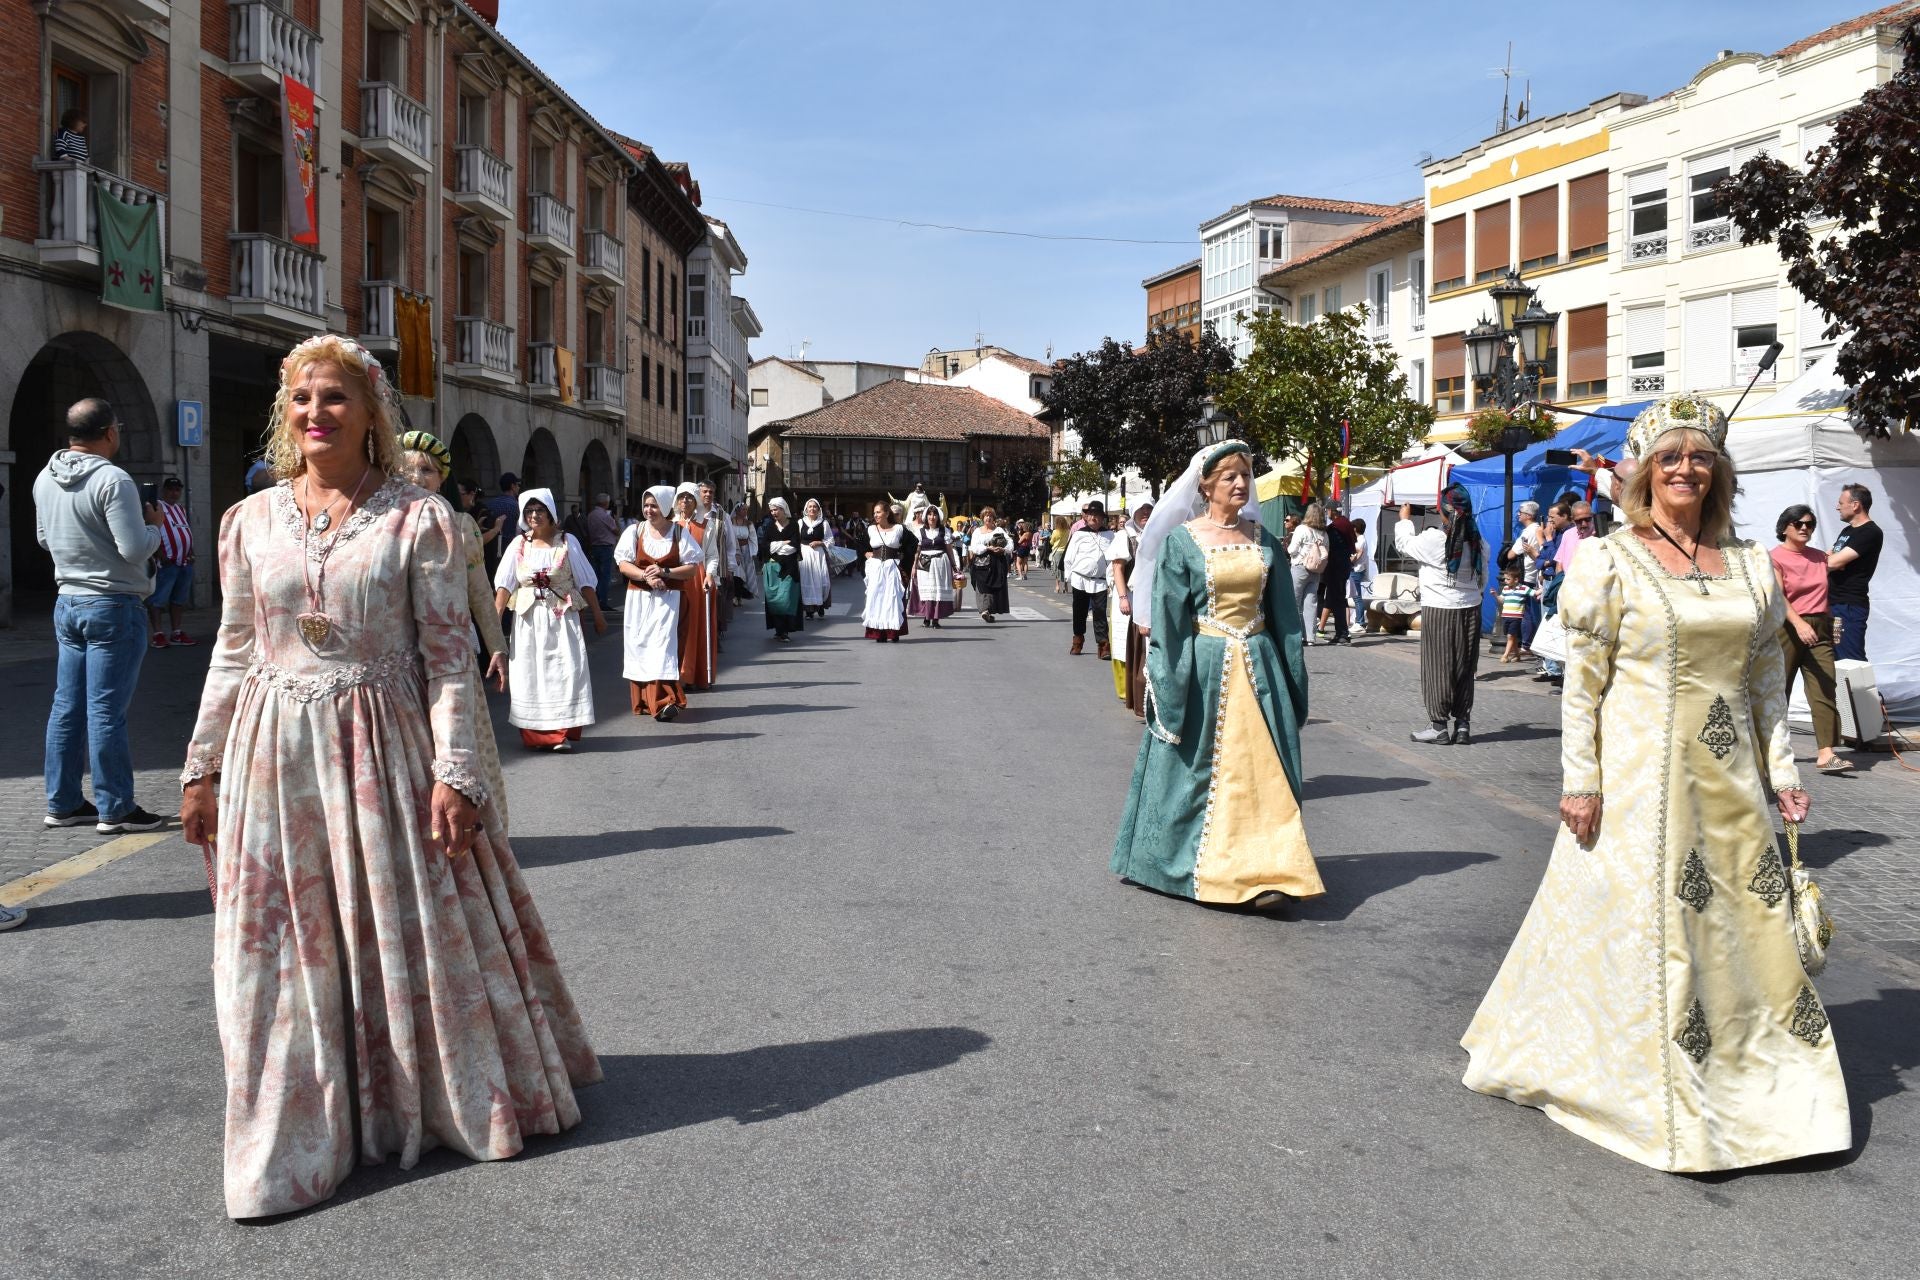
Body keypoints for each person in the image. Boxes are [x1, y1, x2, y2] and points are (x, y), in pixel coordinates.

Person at [178, 334, 598, 1217]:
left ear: (372, 411)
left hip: (386, 753)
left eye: (334, 398)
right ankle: (293, 1136)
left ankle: (411, 1097)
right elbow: (233, 649)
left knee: (400, 934)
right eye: (301, 400)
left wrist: (457, 775)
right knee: (283, 952)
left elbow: (449, 662)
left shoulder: (420, 519)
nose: (316, 414)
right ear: (284, 414)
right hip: (273, 757)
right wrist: (202, 765)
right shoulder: (248, 522)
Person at [1461, 393, 1843, 1174]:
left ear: (1719, 470)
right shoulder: (1610, 558)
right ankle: (1636, 1078)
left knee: (1743, 930)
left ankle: (1760, 1083)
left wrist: (1781, 770)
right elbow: (1583, 684)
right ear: (1644, 473)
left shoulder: (1748, 565)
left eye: (1700, 455)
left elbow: (1767, 676)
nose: (1686, 468)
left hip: (1730, 781)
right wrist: (1580, 781)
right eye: (1670, 456)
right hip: (1640, 780)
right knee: (1641, 925)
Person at [1111, 440, 1321, 912]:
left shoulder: (1265, 541)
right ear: (1206, 486)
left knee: (1263, 773)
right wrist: (1168, 682)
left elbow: (1285, 615)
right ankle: (1197, 864)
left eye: (1245, 475)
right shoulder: (1182, 542)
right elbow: (1168, 620)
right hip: (1206, 667)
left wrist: (1292, 674)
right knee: (1199, 773)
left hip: (1260, 664)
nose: (1241, 484)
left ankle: (1272, 869)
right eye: (1230, 477)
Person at [34, 397, 167, 844]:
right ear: (110, 432)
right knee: (106, 710)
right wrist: (156, 526)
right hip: (113, 603)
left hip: (67, 600)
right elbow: (134, 548)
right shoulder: (114, 479)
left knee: (66, 707)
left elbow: (42, 538)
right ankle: (116, 807)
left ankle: (64, 802)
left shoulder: (44, 478)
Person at [398, 431, 512, 818]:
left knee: (459, 741)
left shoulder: (460, 523)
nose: (416, 477)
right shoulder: (379, 521)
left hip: (450, 655)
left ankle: (474, 826)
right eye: (407, 469)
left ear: (441, 479)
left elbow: (479, 589)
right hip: (394, 656)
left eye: (427, 471)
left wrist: (497, 646)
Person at [492, 487, 606, 750]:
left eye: (539, 510)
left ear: (551, 513)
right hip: (528, 622)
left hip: (561, 619)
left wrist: (598, 615)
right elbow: (504, 586)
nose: (534, 515)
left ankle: (560, 733)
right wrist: (494, 624)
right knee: (530, 673)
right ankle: (537, 734)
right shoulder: (518, 544)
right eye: (529, 511)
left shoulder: (568, 542)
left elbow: (586, 582)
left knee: (563, 671)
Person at [1396, 486, 1486, 745]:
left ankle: (1438, 726)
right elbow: (1483, 575)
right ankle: (1463, 725)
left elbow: (1404, 544)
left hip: (1440, 608)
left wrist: (1404, 520)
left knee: (1438, 667)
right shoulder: (1477, 539)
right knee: (1464, 668)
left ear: (1443, 511)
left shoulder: (1434, 538)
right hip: (1471, 607)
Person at [1771, 504, 1846, 772]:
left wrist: (1832, 620)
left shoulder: (1820, 557)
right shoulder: (1774, 557)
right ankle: (1773, 751)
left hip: (1820, 626)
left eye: (1810, 524)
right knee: (1779, 690)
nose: (1805, 528)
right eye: (1798, 524)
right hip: (1788, 626)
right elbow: (1778, 596)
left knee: (1825, 686)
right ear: (1784, 528)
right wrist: (1799, 623)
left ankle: (1827, 753)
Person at [615, 485, 696, 720]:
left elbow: (691, 568)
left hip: (669, 601)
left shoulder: (679, 533)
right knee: (640, 647)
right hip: (639, 599)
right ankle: (644, 700)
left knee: (663, 648)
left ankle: (664, 701)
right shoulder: (635, 531)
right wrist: (646, 577)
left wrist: (665, 572)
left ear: (665, 507)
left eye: (654, 506)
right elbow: (623, 563)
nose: (649, 510)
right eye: (646, 505)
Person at [671, 483, 720, 688]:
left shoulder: (705, 524)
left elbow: (711, 555)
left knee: (694, 626)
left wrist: (710, 575)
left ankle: (692, 674)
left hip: (697, 579)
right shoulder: (670, 524)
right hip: (674, 578)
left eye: (689, 497)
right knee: (675, 627)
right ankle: (675, 674)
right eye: (681, 497)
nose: (685, 501)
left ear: (696, 501)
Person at [1827, 483, 1881, 663]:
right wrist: (1834, 560)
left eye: (1841, 503)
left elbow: (1833, 562)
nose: (1837, 507)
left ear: (1855, 505)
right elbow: (1828, 557)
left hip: (1849, 606)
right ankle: (1844, 693)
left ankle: (1864, 693)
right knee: (1836, 660)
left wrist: (1836, 561)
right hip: (1834, 603)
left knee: (1851, 660)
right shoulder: (1848, 531)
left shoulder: (1870, 532)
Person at [1110, 502, 1153, 711]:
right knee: (1127, 645)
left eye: (1149, 509)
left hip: (1150, 597)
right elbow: (1117, 567)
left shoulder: (1157, 532)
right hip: (1130, 596)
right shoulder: (1124, 536)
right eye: (1141, 509)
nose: (1145, 513)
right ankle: (1130, 692)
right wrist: (1123, 597)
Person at [145, 476, 198, 649]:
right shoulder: (156, 507)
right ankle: (158, 633)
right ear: (164, 490)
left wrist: (191, 551)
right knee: (158, 599)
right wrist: (159, 552)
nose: (174, 493)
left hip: (184, 561)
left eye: (177, 490)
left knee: (179, 599)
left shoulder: (180, 509)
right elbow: (149, 528)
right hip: (166, 561)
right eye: (171, 489)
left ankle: (176, 632)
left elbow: (184, 531)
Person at [1062, 500, 1113, 656]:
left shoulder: (1110, 535)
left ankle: (1103, 646)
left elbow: (1113, 559)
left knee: (1100, 612)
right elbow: (1069, 558)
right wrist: (1068, 578)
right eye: (1091, 514)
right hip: (1080, 579)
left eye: (1097, 515)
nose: (1093, 518)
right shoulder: (1078, 534)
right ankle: (1078, 641)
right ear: (1086, 516)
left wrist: (1112, 580)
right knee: (1079, 612)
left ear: (1102, 518)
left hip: (1100, 581)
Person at [862, 500, 914, 642]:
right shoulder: (871, 529)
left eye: (878, 512)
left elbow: (913, 543)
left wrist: (903, 561)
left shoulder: (898, 529)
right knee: (876, 598)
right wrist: (866, 553)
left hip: (892, 568)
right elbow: (860, 543)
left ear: (886, 513)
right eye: (874, 513)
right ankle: (878, 633)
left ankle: (893, 632)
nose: (876, 515)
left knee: (892, 598)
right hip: (876, 569)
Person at [760, 497, 806, 642]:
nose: (774, 512)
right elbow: (765, 547)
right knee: (774, 600)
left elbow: (793, 547)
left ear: (783, 509)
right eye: (772, 510)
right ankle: (779, 630)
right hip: (772, 569)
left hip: (789, 568)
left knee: (786, 599)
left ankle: (785, 630)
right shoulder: (770, 527)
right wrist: (782, 543)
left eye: (776, 509)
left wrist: (776, 546)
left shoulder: (793, 526)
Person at [908, 502, 960, 628]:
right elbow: (917, 551)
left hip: (940, 563)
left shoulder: (944, 531)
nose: (932, 517)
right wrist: (914, 566)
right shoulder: (920, 532)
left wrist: (954, 566)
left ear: (938, 517)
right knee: (926, 590)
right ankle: (927, 616)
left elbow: (949, 549)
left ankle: (936, 618)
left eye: (935, 514)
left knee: (937, 591)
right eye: (930, 514)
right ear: (926, 517)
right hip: (924, 563)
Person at [1286, 504, 1328, 645]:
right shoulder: (1324, 533)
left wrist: (1299, 553)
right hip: (1316, 571)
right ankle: (1310, 637)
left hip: (1300, 567)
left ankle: (1296, 635)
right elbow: (1326, 552)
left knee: (1295, 602)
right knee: (1311, 603)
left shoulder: (1302, 529)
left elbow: (1292, 550)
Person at [1318, 502, 1355, 645]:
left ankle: (1343, 634)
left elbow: (1332, 547)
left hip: (1336, 568)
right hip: (1342, 567)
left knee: (1338, 600)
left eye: (1327, 510)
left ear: (1332, 511)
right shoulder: (1345, 523)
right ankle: (1340, 633)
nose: (1327, 512)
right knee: (1335, 600)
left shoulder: (1335, 528)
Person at [970, 507, 1016, 623]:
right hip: (981, 564)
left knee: (992, 587)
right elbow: (974, 547)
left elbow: (1010, 543)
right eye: (986, 515)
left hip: (996, 563)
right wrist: (987, 548)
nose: (988, 518)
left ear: (994, 518)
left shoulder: (999, 530)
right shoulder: (977, 531)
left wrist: (1003, 549)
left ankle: (987, 612)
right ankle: (984, 610)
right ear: (982, 518)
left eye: (990, 516)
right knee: (981, 586)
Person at [585, 493, 621, 615]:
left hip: (594, 546)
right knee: (605, 576)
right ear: (606, 503)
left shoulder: (590, 515)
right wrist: (615, 519)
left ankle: (595, 601)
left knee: (595, 576)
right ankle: (603, 602)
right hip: (605, 547)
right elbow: (616, 531)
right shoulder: (605, 516)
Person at [797, 498, 833, 616]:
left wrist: (820, 543)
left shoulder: (824, 523)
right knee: (806, 579)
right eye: (810, 506)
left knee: (821, 580)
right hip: (804, 555)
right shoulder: (801, 522)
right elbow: (796, 539)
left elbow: (830, 540)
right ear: (806, 509)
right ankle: (809, 610)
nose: (812, 509)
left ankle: (820, 604)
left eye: (814, 507)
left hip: (818, 554)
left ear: (818, 510)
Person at [729, 502, 760, 604]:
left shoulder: (749, 523)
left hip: (745, 550)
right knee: (736, 573)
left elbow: (753, 538)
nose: (745, 511)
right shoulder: (730, 522)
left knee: (746, 574)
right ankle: (734, 595)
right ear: (737, 510)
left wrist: (753, 552)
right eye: (743, 509)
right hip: (734, 550)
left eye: (746, 509)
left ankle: (740, 596)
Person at [1496, 566, 1528, 663]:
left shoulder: (1523, 588)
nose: (1505, 581)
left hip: (1516, 617)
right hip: (1506, 616)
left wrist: (1542, 590)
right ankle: (1517, 655)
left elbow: (1534, 592)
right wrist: (1495, 595)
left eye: (1508, 579)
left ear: (1516, 579)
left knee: (1510, 636)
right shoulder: (1505, 589)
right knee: (1512, 636)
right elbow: (1502, 600)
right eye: (1505, 578)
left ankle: (1505, 655)